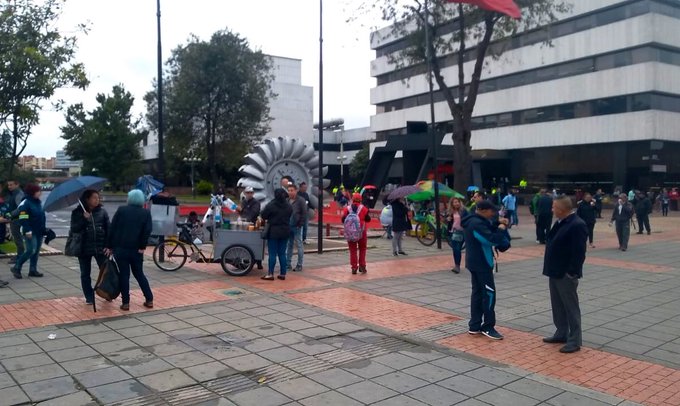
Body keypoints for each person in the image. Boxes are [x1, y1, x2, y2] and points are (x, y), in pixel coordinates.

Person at [543, 196, 587, 353]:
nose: (552, 210)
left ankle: (575, 340)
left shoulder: (577, 225)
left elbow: (579, 253)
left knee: (570, 307)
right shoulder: (560, 222)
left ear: (562, 209)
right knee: (557, 305)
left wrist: (572, 272)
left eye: (554, 207)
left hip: (565, 274)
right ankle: (561, 332)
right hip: (554, 271)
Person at [461, 200, 511, 340]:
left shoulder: (474, 220)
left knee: (477, 293)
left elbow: (488, 229)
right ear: (483, 210)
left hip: (475, 263)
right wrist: (501, 228)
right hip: (481, 264)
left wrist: (497, 223)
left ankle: (475, 325)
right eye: (491, 211)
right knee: (489, 294)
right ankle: (488, 326)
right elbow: (491, 240)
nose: (493, 214)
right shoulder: (476, 224)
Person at [105, 190, 153, 310]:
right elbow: (147, 231)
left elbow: (113, 228)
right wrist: (142, 246)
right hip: (137, 250)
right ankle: (149, 299)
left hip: (120, 249)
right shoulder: (145, 213)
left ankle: (125, 303)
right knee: (139, 274)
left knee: (124, 275)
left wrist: (109, 246)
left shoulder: (121, 210)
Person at [70, 190, 110, 304]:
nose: (97, 200)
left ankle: (107, 292)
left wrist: (108, 245)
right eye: (94, 198)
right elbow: (74, 229)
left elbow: (108, 229)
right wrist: (84, 219)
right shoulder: (77, 212)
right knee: (85, 273)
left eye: (98, 198)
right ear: (87, 199)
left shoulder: (102, 212)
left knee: (106, 271)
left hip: (100, 247)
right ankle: (89, 296)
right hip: (83, 248)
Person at [11, 184, 46, 279]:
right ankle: (17, 267)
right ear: (32, 192)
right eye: (38, 191)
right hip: (30, 231)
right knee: (31, 250)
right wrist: (27, 230)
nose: (40, 193)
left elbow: (42, 216)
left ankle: (33, 270)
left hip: (39, 230)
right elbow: (23, 217)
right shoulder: (26, 203)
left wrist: (44, 229)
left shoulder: (38, 202)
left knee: (36, 251)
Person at [260, 188, 292, 280]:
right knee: (282, 253)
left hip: (274, 231)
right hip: (285, 230)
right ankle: (283, 274)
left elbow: (264, 215)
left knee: (272, 253)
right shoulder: (289, 206)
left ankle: (270, 274)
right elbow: (290, 215)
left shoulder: (271, 205)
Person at [342, 193, 371, 274]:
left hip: (350, 233)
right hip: (362, 232)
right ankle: (362, 266)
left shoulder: (347, 209)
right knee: (362, 249)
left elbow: (343, 220)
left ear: (352, 199)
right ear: (360, 199)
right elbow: (368, 219)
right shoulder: (364, 209)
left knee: (353, 250)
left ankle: (354, 267)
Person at [286, 183, 306, 272]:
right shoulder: (287, 200)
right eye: (289, 190)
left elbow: (304, 214)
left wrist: (300, 224)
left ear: (296, 190)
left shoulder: (301, 200)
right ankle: (288, 264)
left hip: (297, 226)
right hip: (288, 226)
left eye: (292, 190)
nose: (290, 192)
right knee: (289, 245)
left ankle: (299, 264)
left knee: (299, 244)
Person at [447, 197, 468, 274]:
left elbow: (468, 219)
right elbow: (451, 222)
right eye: (454, 202)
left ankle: (457, 266)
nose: (456, 203)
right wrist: (449, 219)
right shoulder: (451, 212)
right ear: (452, 204)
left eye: (457, 202)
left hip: (462, 232)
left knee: (458, 248)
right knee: (455, 249)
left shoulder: (464, 211)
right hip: (454, 231)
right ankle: (456, 265)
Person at [6, 179, 25, 264]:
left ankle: (20, 257)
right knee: (17, 239)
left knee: (18, 239)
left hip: (17, 220)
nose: (9, 187)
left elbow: (20, 208)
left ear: (17, 185)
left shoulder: (18, 194)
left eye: (11, 185)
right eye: (8, 185)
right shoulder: (14, 193)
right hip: (15, 219)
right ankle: (19, 255)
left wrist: (10, 215)